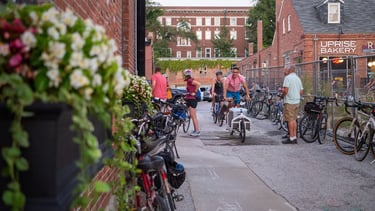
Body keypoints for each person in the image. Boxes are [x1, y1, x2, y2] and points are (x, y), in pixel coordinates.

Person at [280, 64, 303, 144]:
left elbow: (286, 90)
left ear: (289, 70)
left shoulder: (287, 78)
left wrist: (282, 96)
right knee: (294, 120)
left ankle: (291, 138)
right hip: (297, 101)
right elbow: (301, 91)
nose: (284, 71)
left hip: (289, 101)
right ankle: (294, 137)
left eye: (285, 69)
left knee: (290, 120)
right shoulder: (298, 78)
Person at [183, 69, 201, 137]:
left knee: (193, 116)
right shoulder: (189, 81)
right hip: (190, 99)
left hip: (192, 99)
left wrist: (195, 92)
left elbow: (198, 84)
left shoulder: (190, 80)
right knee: (193, 116)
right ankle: (195, 130)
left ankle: (197, 130)